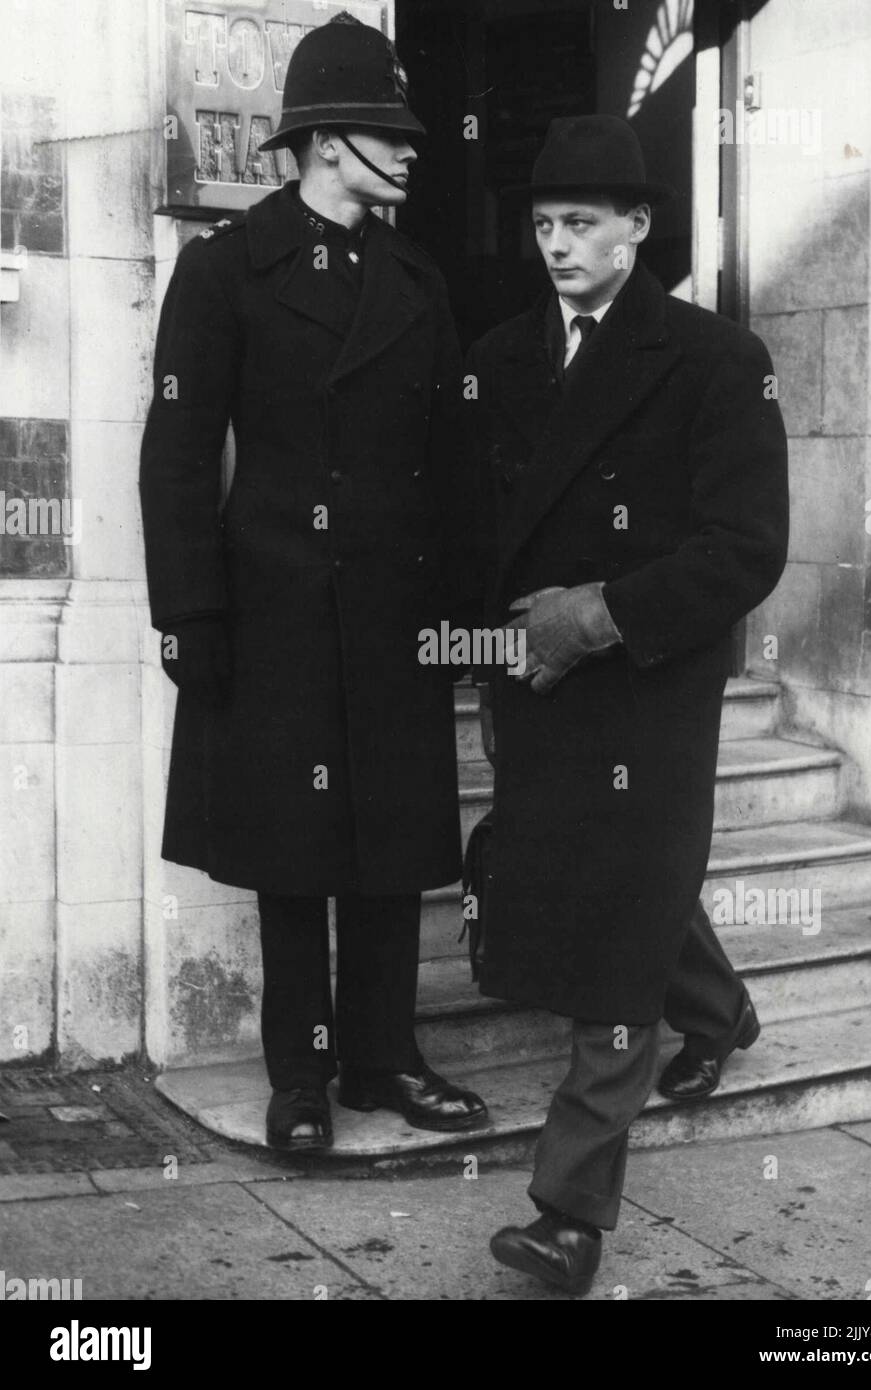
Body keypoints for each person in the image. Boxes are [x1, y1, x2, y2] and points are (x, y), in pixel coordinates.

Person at [139, 14, 487, 1152]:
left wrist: (465, 616)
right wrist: (189, 611)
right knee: (290, 848)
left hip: (393, 607)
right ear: (329, 141)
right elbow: (179, 450)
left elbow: (452, 460)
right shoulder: (223, 269)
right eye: (394, 133)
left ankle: (384, 1058)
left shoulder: (419, 278)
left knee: (388, 842)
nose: (414, 152)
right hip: (274, 604)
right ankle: (302, 1074)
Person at [466, 114, 789, 1295]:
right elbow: (475, 520)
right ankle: (718, 1011)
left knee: (615, 924)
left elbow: (744, 549)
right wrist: (492, 634)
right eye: (543, 224)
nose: (556, 244)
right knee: (624, 879)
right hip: (538, 685)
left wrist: (593, 615)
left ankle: (567, 1217)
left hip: (647, 678)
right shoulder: (498, 356)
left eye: (582, 223)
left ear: (638, 227)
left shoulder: (715, 356)